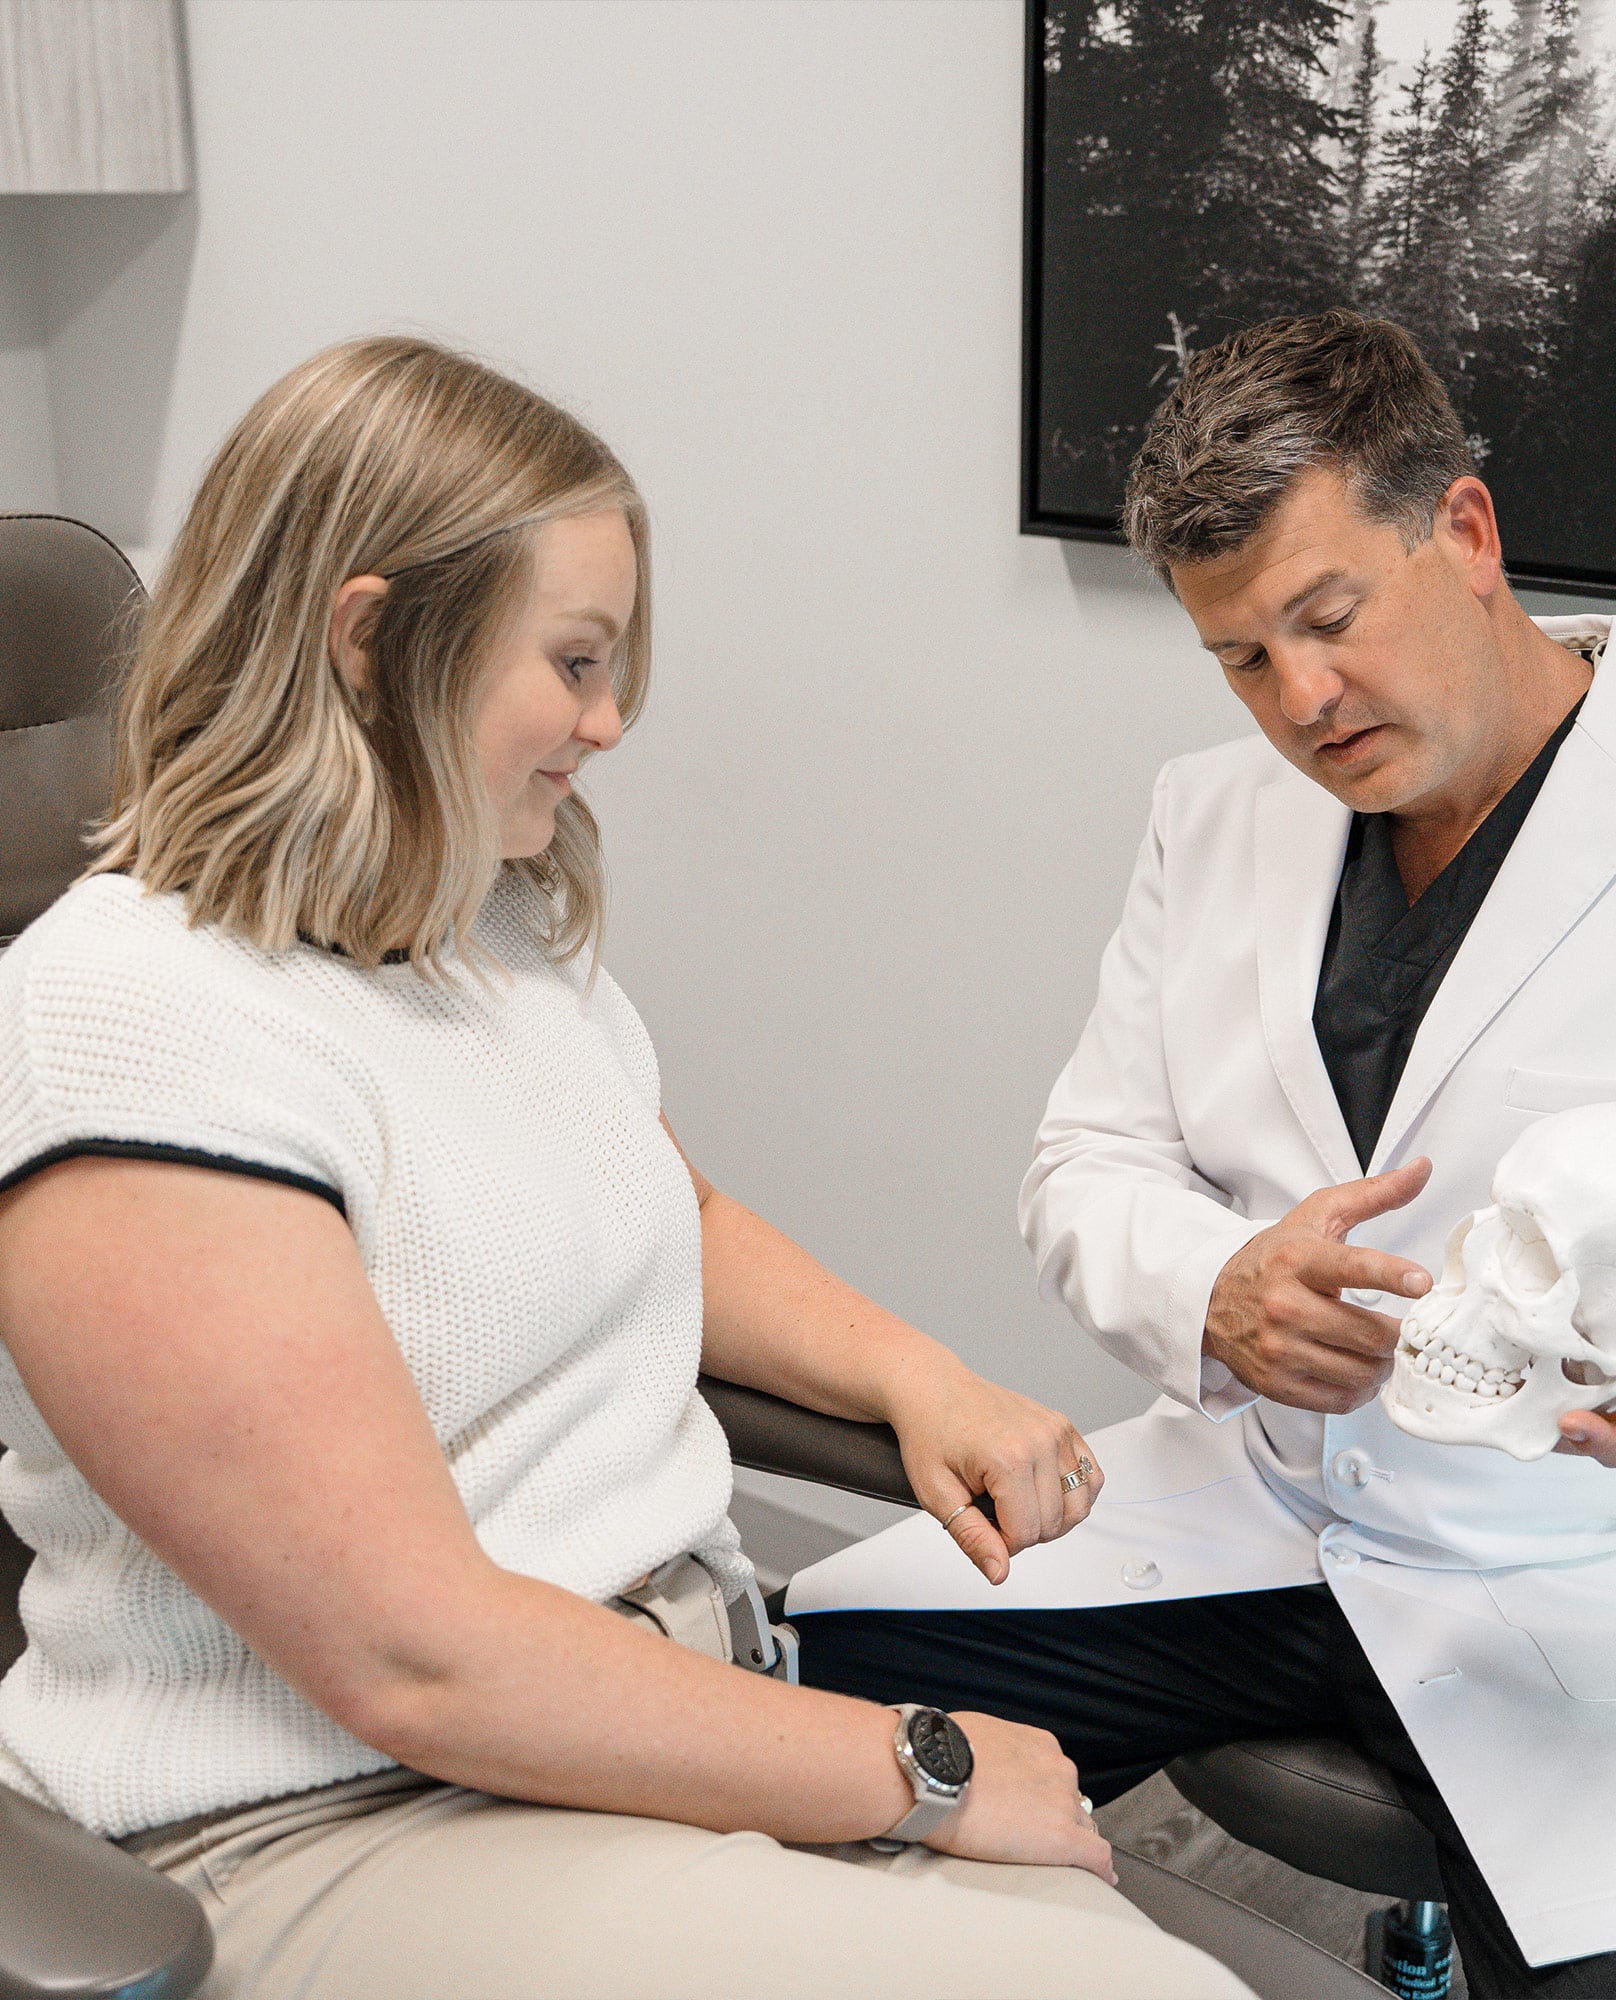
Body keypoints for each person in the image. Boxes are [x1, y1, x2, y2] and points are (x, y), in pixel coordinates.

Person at [0, 336, 1254, 2000]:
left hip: (651, 1719)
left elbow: (668, 1211)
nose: (609, 722)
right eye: (578, 663)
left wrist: (914, 1373)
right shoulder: (136, 1016)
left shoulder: (482, 916)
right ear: (373, 642)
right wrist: (920, 1764)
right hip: (340, 1819)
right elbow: (414, 1661)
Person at [785, 311, 1616, 1998]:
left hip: (1598, 1591)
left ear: (1469, 534)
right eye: (1238, 657)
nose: (1300, 701)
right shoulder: (1208, 814)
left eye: (1327, 619)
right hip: (1248, 1512)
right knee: (751, 1722)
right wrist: (1220, 1289)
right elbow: (1087, 1160)